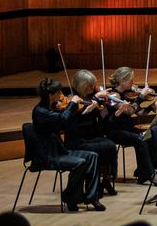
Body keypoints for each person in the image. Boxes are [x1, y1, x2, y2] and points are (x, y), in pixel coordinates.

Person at [31, 78, 104, 211]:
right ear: (50, 95)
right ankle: (70, 197)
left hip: (60, 150)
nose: (61, 95)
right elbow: (62, 118)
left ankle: (92, 197)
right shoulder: (40, 112)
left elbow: (66, 119)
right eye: (58, 92)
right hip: (48, 155)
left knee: (92, 156)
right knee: (80, 163)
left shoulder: (52, 108)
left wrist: (83, 110)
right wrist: (72, 104)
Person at [104, 67, 157, 186]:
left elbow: (140, 113)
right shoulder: (113, 95)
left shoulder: (129, 94)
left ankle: (144, 173)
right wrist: (141, 97)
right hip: (115, 131)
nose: (133, 83)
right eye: (131, 80)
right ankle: (150, 174)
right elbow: (129, 112)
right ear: (122, 80)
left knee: (149, 135)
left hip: (128, 129)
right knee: (139, 139)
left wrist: (156, 103)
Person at [64, 70, 119, 197]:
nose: (92, 88)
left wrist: (104, 107)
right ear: (81, 85)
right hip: (76, 139)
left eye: (93, 85)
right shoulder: (72, 100)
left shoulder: (93, 97)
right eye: (89, 85)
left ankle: (106, 179)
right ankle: (94, 184)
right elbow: (73, 122)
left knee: (110, 145)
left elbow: (104, 120)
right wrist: (93, 102)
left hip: (92, 136)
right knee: (99, 148)